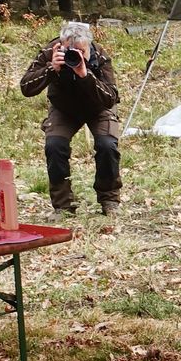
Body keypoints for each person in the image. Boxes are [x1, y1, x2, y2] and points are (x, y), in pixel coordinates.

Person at [20, 21, 123, 216]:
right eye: (70, 51)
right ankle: (63, 206)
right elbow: (26, 87)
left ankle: (109, 200)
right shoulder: (51, 51)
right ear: (61, 44)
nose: (74, 56)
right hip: (64, 109)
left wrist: (85, 74)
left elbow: (111, 98)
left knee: (107, 145)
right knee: (54, 145)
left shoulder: (100, 56)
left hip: (98, 107)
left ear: (89, 47)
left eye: (81, 52)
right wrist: (51, 68)